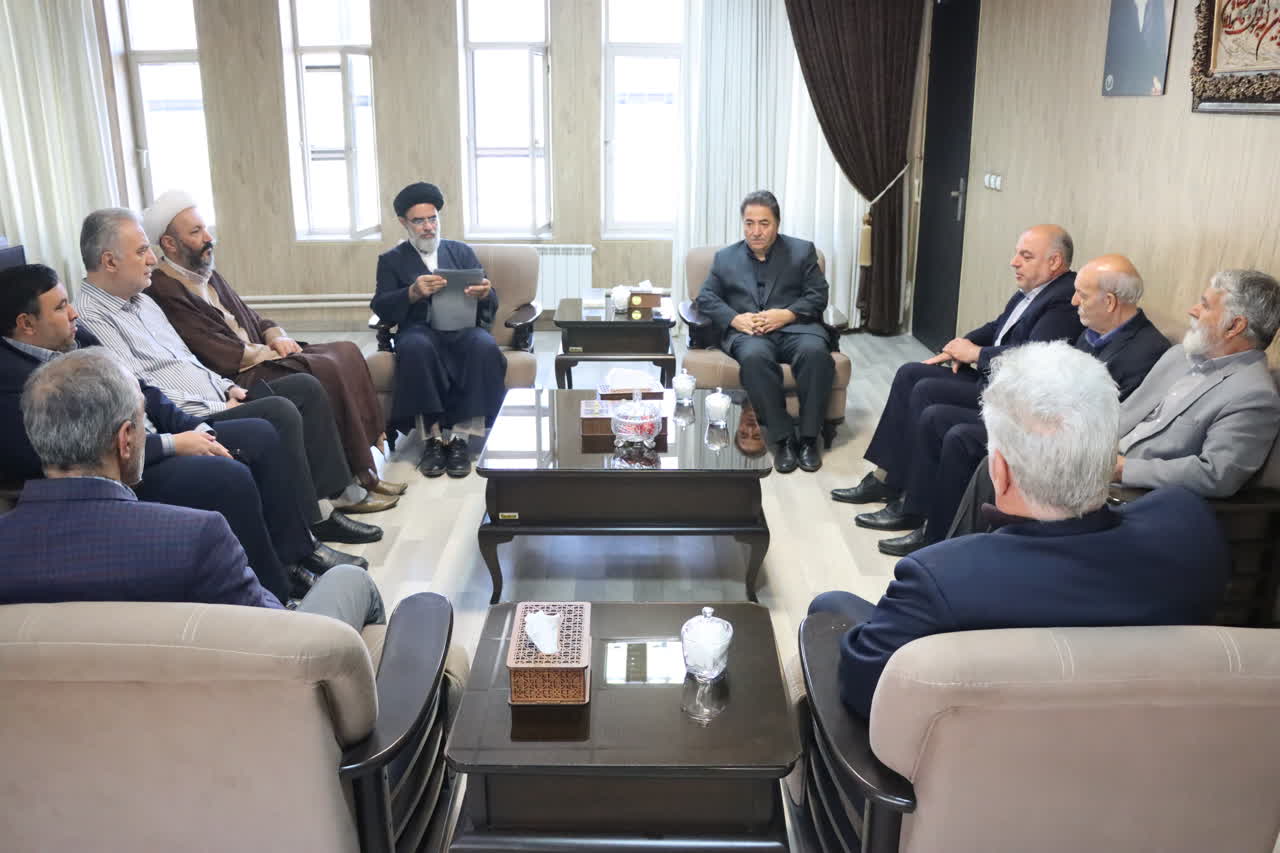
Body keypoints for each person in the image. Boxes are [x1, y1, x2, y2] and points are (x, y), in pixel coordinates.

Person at [809, 341, 1230, 720]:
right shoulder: (1189, 528)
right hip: (1135, 740)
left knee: (829, 604)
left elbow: (861, 690)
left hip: (973, 761)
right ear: (1106, 453)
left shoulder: (939, 578)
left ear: (999, 471)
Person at [0, 263, 364, 600]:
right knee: (228, 477)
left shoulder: (76, 338)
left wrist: (195, 429)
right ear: (26, 323)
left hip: (144, 438)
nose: (73, 313)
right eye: (61, 307)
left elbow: (142, 388)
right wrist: (173, 444)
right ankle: (273, 592)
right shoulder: (10, 382)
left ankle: (295, 555)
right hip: (116, 468)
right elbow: (58, 453)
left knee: (260, 435)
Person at [0, 348, 384, 633]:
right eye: (143, 422)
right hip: (238, 706)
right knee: (352, 583)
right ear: (126, 440)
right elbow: (277, 636)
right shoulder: (196, 537)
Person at [72, 208, 392, 548]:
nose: (152, 259)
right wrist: (218, 404)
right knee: (280, 411)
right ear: (109, 261)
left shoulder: (142, 301)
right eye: (141, 252)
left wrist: (228, 387)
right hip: (188, 418)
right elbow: (141, 392)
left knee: (305, 388)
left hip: (219, 392)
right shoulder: (92, 320)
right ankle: (311, 528)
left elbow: (187, 359)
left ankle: (328, 499)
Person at [871, 253, 1170, 557]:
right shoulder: (1095, 330)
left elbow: (1102, 418)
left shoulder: (1145, 351)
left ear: (1109, 302)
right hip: (1042, 418)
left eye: (1082, 295)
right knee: (938, 413)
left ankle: (937, 540)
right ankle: (918, 512)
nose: (1074, 302)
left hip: (1062, 442)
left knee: (960, 435)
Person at [948, 268, 1280, 538]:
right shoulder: (1181, 356)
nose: (1193, 310)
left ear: (1235, 325)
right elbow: (1124, 411)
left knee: (1009, 478)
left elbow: (1217, 475)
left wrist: (1120, 468)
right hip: (1092, 460)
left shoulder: (1253, 395)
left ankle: (969, 566)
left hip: (1133, 494)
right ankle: (952, 556)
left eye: (1205, 306)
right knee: (999, 461)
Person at [140, 190, 402, 498]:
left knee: (347, 350)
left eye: (205, 228)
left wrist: (276, 336)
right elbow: (213, 350)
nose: (208, 238)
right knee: (325, 369)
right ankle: (353, 480)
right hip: (240, 374)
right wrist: (270, 352)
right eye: (196, 232)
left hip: (262, 356)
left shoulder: (205, 272)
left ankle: (364, 462)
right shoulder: (164, 289)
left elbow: (250, 316)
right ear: (169, 244)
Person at [830, 224, 1081, 533]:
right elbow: (998, 327)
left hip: (1007, 396)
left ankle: (912, 505)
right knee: (910, 374)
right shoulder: (1034, 290)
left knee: (926, 393)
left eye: (1025, 256)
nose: (1014, 262)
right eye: (1017, 253)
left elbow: (1031, 356)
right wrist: (958, 346)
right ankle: (888, 479)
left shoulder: (1063, 301)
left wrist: (976, 353)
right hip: (992, 379)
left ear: (1054, 261)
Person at [694, 190, 835, 473]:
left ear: (777, 224)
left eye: (764, 223)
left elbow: (818, 295)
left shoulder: (802, 251)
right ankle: (784, 439)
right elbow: (705, 298)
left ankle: (809, 440)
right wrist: (735, 319)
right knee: (754, 359)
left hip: (797, 328)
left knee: (815, 353)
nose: (756, 231)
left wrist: (788, 314)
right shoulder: (725, 258)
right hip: (751, 333)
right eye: (749, 223)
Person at [373, 181, 507, 478]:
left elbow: (490, 297)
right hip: (419, 331)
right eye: (419, 221)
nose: (428, 227)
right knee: (415, 348)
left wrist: (486, 293)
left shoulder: (461, 252)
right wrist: (411, 293)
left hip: (462, 328)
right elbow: (381, 305)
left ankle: (460, 439)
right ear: (404, 223)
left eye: (432, 219)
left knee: (483, 345)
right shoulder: (391, 260)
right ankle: (432, 441)